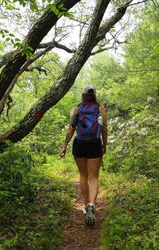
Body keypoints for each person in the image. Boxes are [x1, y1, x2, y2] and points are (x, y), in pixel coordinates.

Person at [59, 86, 108, 226]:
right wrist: (104, 145)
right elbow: (104, 129)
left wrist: (64, 147)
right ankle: (93, 203)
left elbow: (71, 129)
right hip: (94, 144)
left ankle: (86, 206)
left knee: (83, 176)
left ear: (83, 95)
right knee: (94, 177)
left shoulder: (76, 109)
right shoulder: (100, 109)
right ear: (94, 95)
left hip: (79, 145)